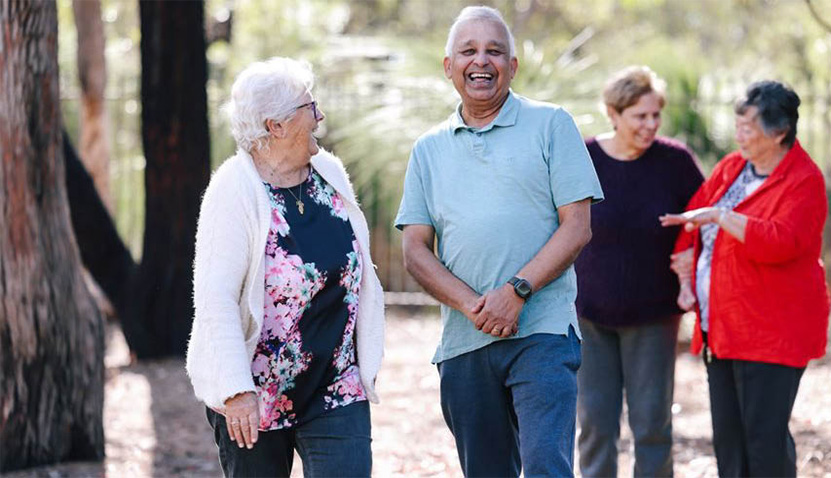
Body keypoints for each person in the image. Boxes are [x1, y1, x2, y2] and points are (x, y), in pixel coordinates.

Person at [395, 6, 604, 477]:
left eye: (495, 51)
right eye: (468, 51)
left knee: (545, 465)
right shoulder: (427, 149)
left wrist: (516, 293)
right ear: (448, 66)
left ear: (513, 66)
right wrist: (475, 306)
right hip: (464, 342)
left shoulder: (552, 124)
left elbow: (578, 226)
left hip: (543, 333)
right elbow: (414, 250)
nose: (481, 61)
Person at [185, 57, 385, 478]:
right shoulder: (232, 191)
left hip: (335, 384)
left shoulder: (329, 174)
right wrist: (237, 390)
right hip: (255, 394)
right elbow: (215, 297)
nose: (320, 116)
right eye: (310, 107)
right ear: (275, 125)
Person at [660, 80, 829, 477]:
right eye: (737, 125)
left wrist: (723, 216)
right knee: (729, 441)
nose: (739, 135)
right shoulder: (733, 167)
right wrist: (685, 263)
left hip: (771, 332)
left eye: (748, 128)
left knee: (763, 442)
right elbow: (693, 214)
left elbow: (781, 243)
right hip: (721, 329)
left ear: (780, 132)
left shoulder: (803, 180)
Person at [573, 66, 703, 477]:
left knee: (651, 424)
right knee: (594, 422)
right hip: (589, 314)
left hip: (654, 317)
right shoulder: (584, 158)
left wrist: (690, 262)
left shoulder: (676, 162)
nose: (650, 125)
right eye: (639, 116)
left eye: (655, 116)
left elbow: (702, 226)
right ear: (613, 113)